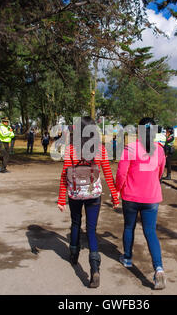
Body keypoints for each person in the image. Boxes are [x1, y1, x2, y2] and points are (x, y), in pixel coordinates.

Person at [57, 116, 119, 289]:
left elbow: (64, 176)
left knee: (75, 223)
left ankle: (74, 254)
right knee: (91, 230)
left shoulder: (71, 149)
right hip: (94, 194)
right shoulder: (99, 149)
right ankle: (94, 268)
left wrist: (62, 199)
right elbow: (107, 173)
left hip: (75, 194)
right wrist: (114, 196)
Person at [116, 117, 167, 290]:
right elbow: (160, 172)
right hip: (151, 197)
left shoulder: (130, 148)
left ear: (138, 131)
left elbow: (122, 173)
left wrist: (117, 189)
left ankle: (128, 258)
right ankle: (158, 268)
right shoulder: (159, 150)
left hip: (130, 195)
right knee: (150, 232)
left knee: (129, 227)